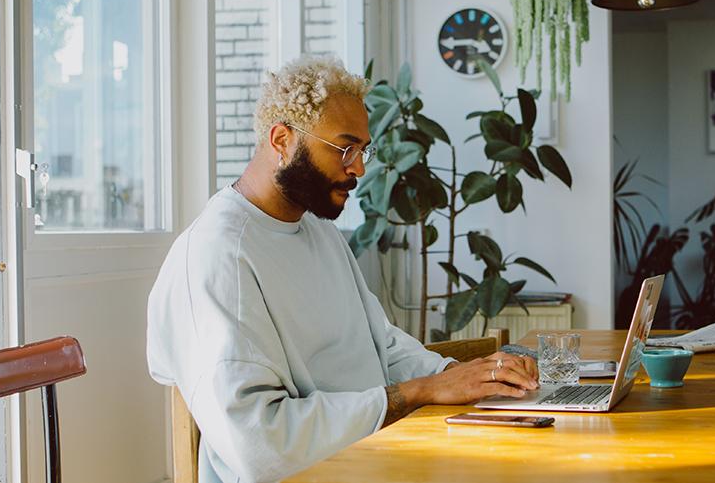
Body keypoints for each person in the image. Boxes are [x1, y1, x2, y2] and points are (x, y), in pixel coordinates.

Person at [146, 55, 538, 483]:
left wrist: (458, 376)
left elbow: (380, 346)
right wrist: (415, 393)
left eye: (363, 149)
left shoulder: (316, 230)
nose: (359, 167)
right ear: (282, 139)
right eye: (344, 148)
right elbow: (259, 443)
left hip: (372, 455)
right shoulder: (215, 256)